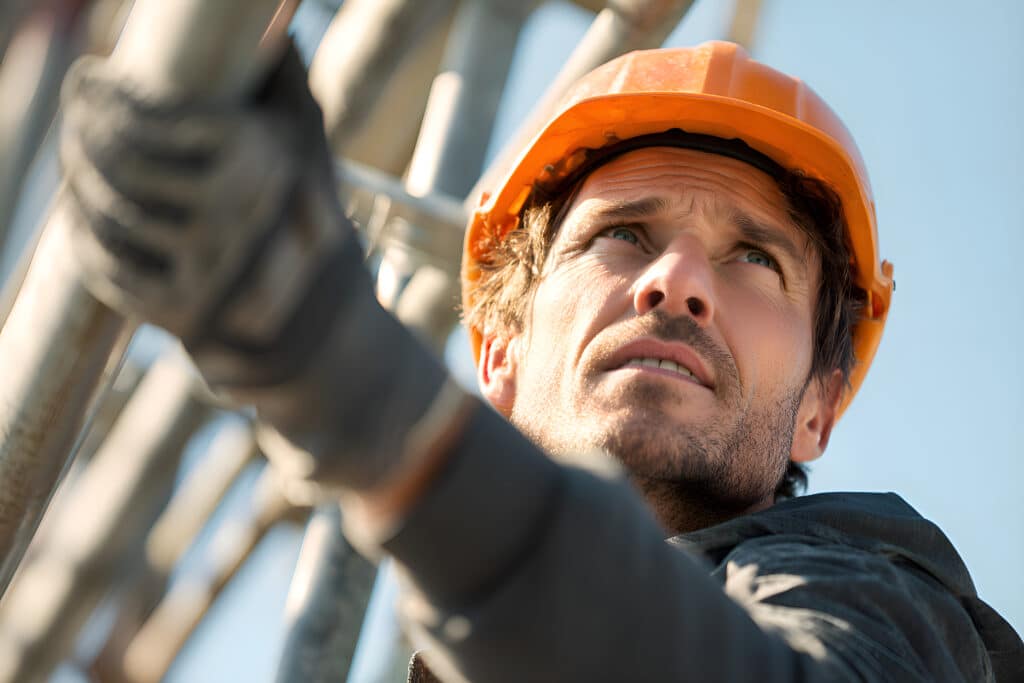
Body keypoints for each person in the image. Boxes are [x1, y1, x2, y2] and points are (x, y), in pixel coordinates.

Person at [59, 39, 1022, 681]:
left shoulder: (889, 615)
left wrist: (341, 374)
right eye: (624, 235)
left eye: (755, 259)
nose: (678, 282)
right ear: (499, 352)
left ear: (821, 406)